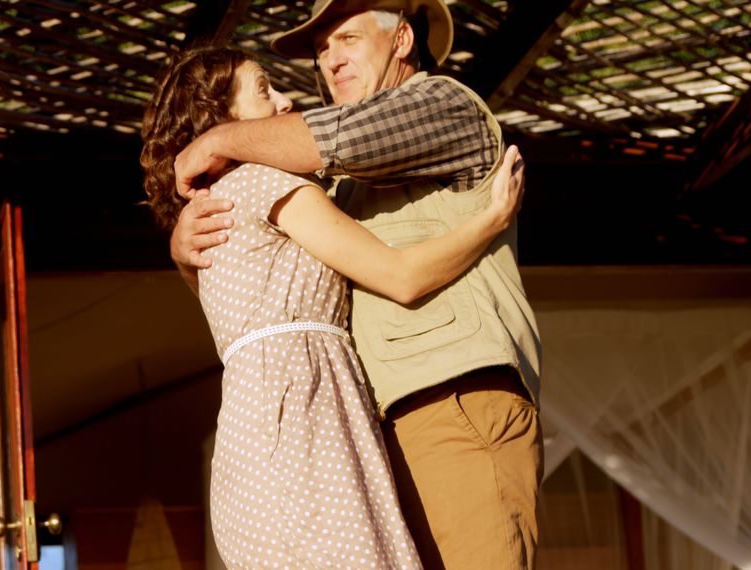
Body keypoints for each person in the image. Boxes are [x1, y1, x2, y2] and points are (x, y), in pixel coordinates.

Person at [169, 2, 544, 569]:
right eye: (321, 50)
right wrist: (184, 253)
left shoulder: (442, 103)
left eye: (347, 38)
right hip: (368, 429)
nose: (330, 59)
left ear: (401, 40)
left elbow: (341, 136)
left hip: (452, 404)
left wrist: (217, 139)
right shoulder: (318, 186)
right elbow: (253, 283)